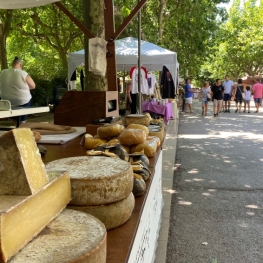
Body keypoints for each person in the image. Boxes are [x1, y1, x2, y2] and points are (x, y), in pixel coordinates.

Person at [0, 56, 35, 122]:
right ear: (20, 65)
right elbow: (33, 86)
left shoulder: (2, 72)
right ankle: (22, 121)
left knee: (16, 120)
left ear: (12, 64)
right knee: (27, 99)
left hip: (6, 102)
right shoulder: (23, 73)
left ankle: (15, 121)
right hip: (22, 101)